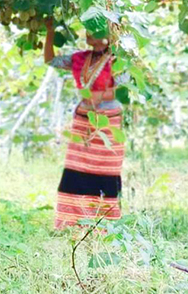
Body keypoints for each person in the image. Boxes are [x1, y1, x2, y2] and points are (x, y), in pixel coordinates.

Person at [43, 18, 125, 230]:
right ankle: (72, 221)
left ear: (108, 35)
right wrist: (50, 31)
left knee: (105, 170)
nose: (89, 34)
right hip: (83, 119)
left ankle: (105, 224)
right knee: (77, 169)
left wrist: (100, 96)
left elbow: (121, 89)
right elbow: (50, 60)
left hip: (108, 121)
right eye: (88, 30)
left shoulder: (117, 60)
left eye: (95, 30)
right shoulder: (79, 58)